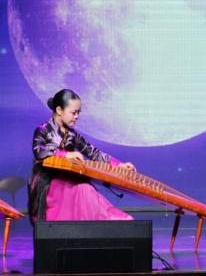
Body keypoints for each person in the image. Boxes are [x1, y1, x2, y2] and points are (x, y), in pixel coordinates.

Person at [28, 89, 135, 223]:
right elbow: (39, 151)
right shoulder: (43, 130)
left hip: (69, 178)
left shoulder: (72, 134)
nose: (77, 116)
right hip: (49, 182)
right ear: (59, 110)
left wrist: (118, 165)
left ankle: (108, 222)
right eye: (73, 113)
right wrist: (66, 155)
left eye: (79, 112)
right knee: (82, 189)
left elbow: (92, 152)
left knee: (85, 188)